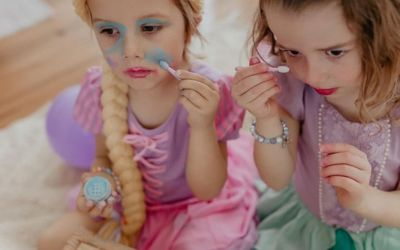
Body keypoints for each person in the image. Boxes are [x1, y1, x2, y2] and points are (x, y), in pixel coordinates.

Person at [38, 0, 259, 249]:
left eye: (150, 28)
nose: (130, 51)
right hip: (127, 203)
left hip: (193, 208)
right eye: (109, 31)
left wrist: (202, 125)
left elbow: (207, 190)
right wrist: (102, 180)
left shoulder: (211, 93)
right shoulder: (99, 88)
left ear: (190, 26)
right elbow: (102, 156)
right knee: (52, 242)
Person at [232, 0, 400, 249]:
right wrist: (267, 117)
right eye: (292, 51)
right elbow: (277, 179)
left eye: (335, 52)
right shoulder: (289, 76)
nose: (312, 76)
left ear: (387, 35)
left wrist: (363, 199)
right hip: (306, 224)